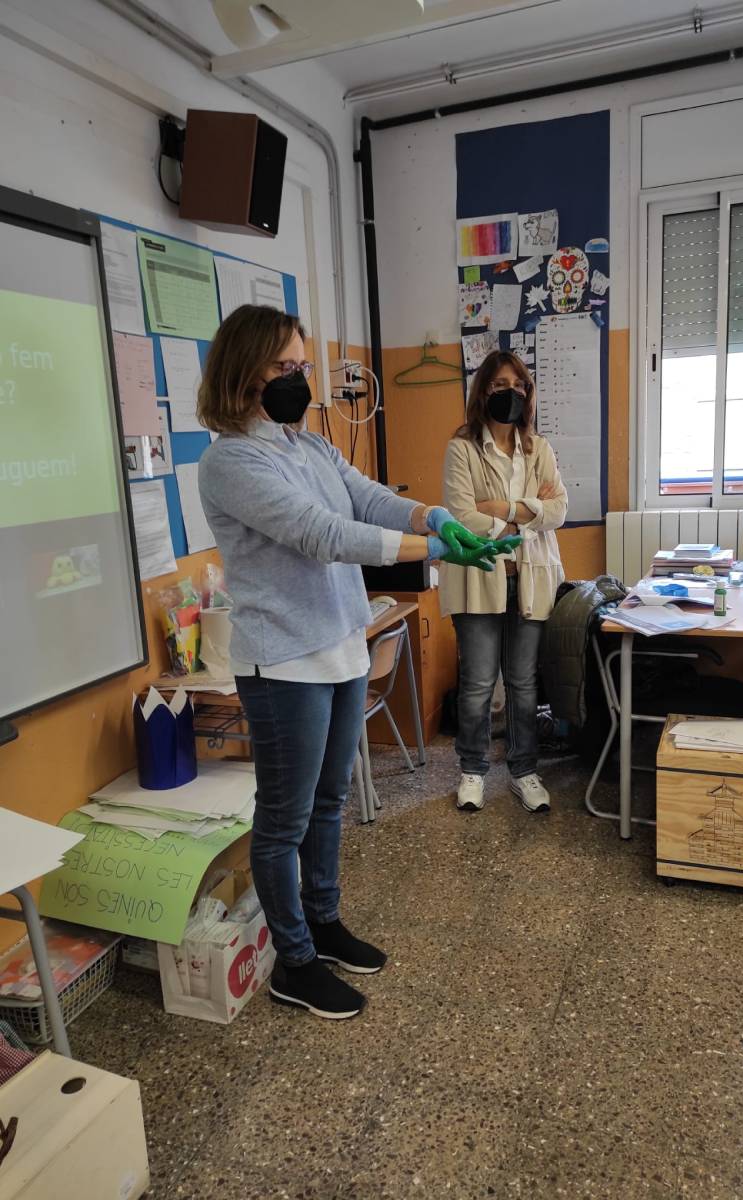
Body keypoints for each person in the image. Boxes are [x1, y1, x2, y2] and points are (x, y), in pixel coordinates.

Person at [197, 305, 512, 1021]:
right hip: (282, 661)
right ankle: (295, 962)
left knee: (330, 802)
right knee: (283, 821)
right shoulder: (228, 462)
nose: (299, 380)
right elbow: (321, 533)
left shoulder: (304, 446)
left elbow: (366, 497)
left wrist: (433, 518)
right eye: (284, 368)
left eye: (303, 366)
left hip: (342, 643)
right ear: (243, 371)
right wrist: (434, 553)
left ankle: (325, 922)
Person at [439, 349, 568, 815]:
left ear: (527, 393)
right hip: (479, 578)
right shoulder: (462, 447)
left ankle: (523, 770)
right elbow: (460, 515)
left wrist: (505, 509)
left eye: (517, 385)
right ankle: (472, 770)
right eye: (498, 386)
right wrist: (524, 519)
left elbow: (561, 510)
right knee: (476, 684)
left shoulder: (540, 448)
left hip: (532, 579)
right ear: (482, 392)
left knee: (523, 683)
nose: (508, 393)